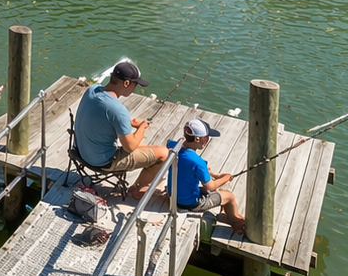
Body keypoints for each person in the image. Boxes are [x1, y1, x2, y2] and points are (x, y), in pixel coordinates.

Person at [73, 60, 168, 195]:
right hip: (102, 161)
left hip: (81, 152)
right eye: (135, 84)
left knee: (142, 144)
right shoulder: (118, 110)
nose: (135, 88)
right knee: (164, 153)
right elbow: (129, 147)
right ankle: (136, 190)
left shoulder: (92, 90)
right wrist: (142, 127)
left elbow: (103, 114)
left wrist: (127, 123)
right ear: (127, 83)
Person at [167, 118, 246, 230]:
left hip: (172, 195)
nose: (208, 140)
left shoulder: (173, 146)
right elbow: (211, 186)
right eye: (206, 137)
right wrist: (226, 177)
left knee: (215, 191)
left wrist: (210, 174)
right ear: (198, 138)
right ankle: (235, 221)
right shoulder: (197, 162)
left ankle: (226, 212)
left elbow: (169, 144)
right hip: (187, 203)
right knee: (229, 196)